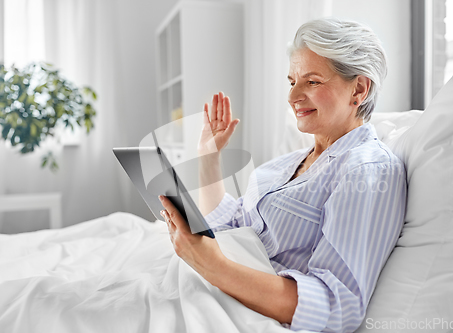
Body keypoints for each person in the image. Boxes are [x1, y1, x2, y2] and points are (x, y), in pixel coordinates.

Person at [159, 17, 406, 333]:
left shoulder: (367, 171)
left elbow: (337, 306)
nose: (292, 97)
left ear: (358, 89)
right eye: (292, 82)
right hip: (203, 282)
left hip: (230, 305)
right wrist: (209, 158)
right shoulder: (289, 163)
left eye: (312, 82)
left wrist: (212, 265)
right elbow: (235, 224)